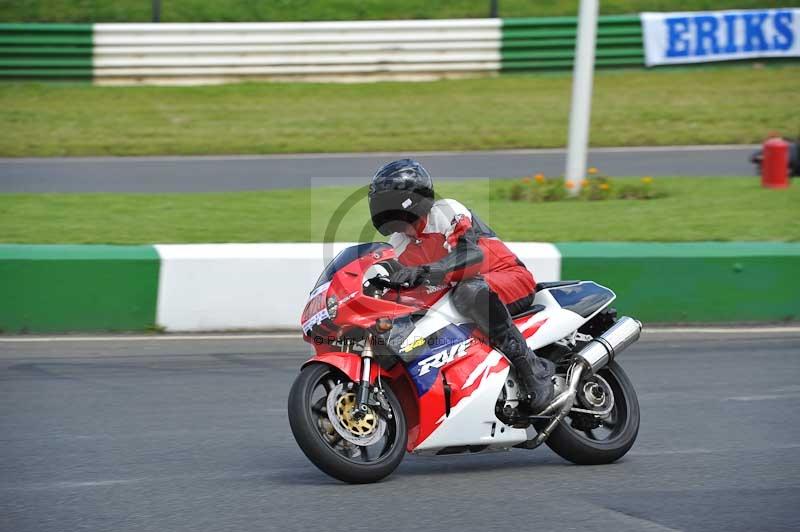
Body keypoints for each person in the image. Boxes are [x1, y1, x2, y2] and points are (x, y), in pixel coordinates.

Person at [367, 158, 555, 412]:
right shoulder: (397, 244)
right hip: (460, 293)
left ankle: (533, 370)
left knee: (469, 291)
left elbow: (471, 257)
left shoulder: (446, 212)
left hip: (507, 277)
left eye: (388, 201)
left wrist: (424, 271)